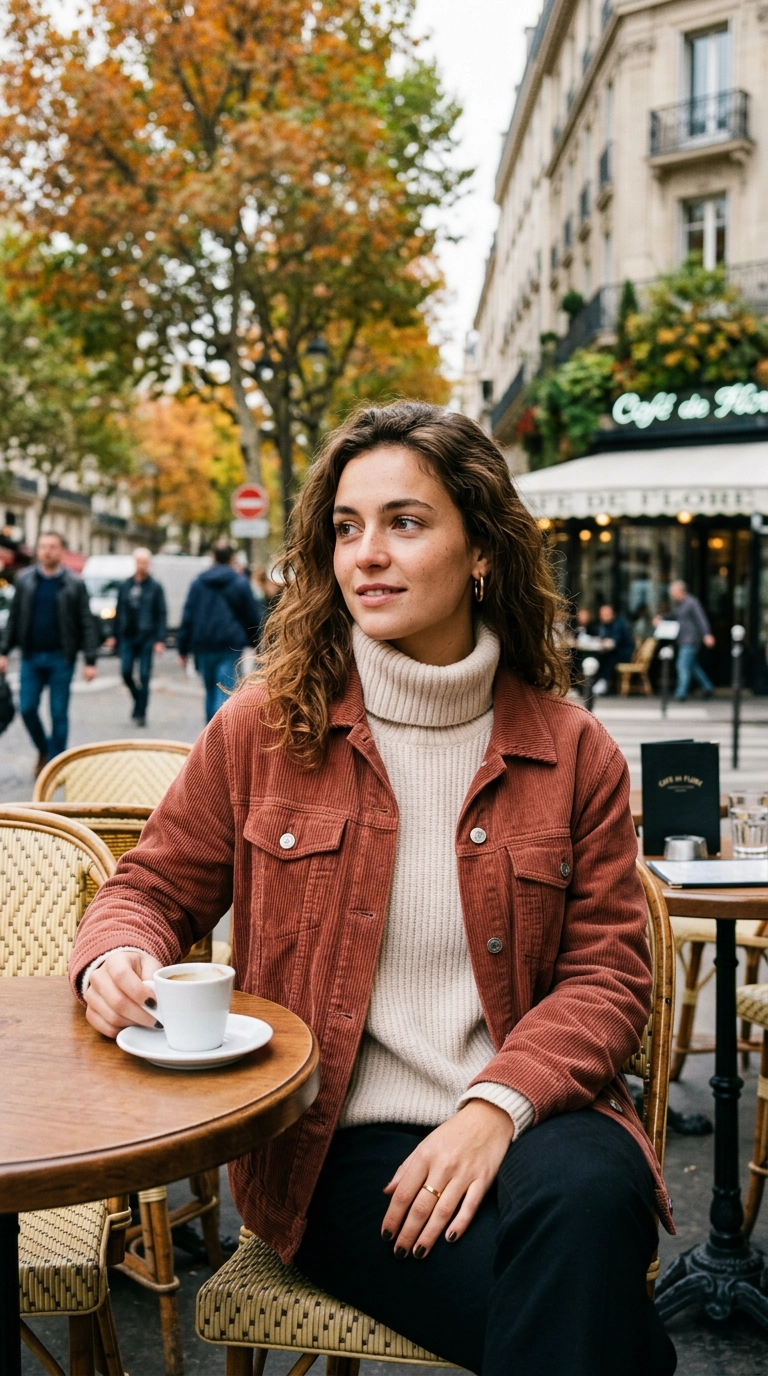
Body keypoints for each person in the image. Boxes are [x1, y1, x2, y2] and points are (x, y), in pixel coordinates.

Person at [69, 403, 676, 1376]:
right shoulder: (265, 727)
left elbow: (606, 974)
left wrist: (493, 1106)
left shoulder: (573, 751)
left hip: (535, 1113)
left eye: (406, 521)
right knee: (606, 1329)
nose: (367, 555)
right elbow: (151, 883)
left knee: (594, 1198)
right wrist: (115, 951)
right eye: (347, 527)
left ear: (481, 549)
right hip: (336, 1143)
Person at [0, 530, 98, 775]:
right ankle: (45, 750)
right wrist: (3, 651)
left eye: (52, 546)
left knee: (58, 713)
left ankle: (54, 765)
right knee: (27, 708)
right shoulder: (25, 580)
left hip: (60, 658)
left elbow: (86, 621)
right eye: (43, 546)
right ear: (38, 550)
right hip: (31, 657)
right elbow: (14, 619)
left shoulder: (74, 583)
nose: (47, 551)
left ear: (61, 551)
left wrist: (90, 660)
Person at [177, 541, 263, 721]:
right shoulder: (239, 582)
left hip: (203, 644)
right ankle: (218, 735)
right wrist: (256, 642)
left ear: (213, 557)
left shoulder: (198, 583)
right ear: (232, 558)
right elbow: (250, 615)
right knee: (224, 689)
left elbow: (188, 615)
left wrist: (182, 648)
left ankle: (210, 732)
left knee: (209, 690)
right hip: (229, 644)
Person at [105, 548, 167, 727]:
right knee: (125, 672)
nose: (143, 566)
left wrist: (160, 639)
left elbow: (161, 613)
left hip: (146, 636)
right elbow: (118, 610)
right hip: (127, 635)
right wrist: (113, 635)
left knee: (145, 675)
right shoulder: (125, 585)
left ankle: (141, 712)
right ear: (135, 563)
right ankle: (138, 700)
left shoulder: (155, 587)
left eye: (146, 562)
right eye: (140, 562)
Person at [667, 579, 715, 701]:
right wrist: (661, 618)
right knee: (693, 666)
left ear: (680, 591)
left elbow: (701, 619)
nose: (671, 595)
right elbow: (673, 615)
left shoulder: (691, 602)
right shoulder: (680, 604)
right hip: (683, 639)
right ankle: (707, 686)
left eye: (673, 592)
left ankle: (681, 693)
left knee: (682, 665)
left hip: (690, 639)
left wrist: (707, 634)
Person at [592, 603, 635, 696]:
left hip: (624, 653)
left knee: (609, 656)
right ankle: (598, 681)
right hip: (613, 651)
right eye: (602, 614)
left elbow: (614, 642)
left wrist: (603, 642)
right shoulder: (603, 625)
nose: (604, 616)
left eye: (606, 614)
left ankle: (603, 681)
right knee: (600, 656)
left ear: (612, 613)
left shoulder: (619, 624)